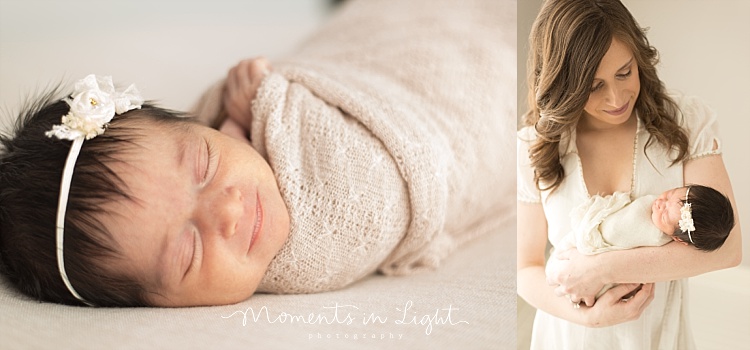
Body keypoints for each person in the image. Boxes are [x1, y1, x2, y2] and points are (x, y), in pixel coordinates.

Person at [0, 0, 515, 307]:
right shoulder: (323, 237)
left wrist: (249, 112)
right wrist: (256, 114)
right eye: (189, 252)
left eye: (203, 164)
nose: (228, 211)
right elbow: (380, 187)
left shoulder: (224, 131)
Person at [517, 0, 742, 349]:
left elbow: (728, 248)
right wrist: (587, 317)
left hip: (659, 337)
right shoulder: (536, 145)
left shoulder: (686, 123)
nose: (617, 97)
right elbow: (525, 269)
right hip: (569, 336)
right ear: (564, 85)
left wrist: (602, 269)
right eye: (594, 86)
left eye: (625, 72)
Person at [548, 184, 735, 300]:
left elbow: (615, 237)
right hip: (588, 237)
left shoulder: (653, 237)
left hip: (594, 246)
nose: (661, 203)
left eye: (664, 214)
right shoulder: (656, 207)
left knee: (561, 261)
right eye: (670, 195)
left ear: (677, 238)